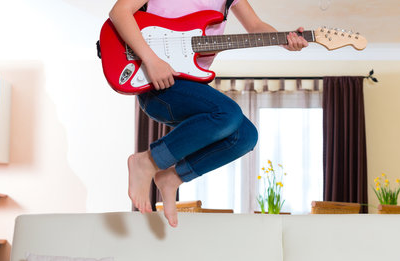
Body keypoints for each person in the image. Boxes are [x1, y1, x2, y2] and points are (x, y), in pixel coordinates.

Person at [109, 0, 308, 227]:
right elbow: (119, 12)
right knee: (228, 113)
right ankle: (147, 161)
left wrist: (285, 39)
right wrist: (151, 60)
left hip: (189, 86)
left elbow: (255, 26)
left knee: (245, 136)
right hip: (155, 84)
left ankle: (172, 177)